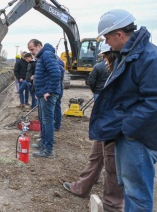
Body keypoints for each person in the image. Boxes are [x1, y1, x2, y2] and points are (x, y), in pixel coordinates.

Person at [90, 9, 157, 211]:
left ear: (120, 34)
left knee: (137, 195)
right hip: (128, 134)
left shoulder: (149, 58)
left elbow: (154, 101)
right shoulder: (128, 55)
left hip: (137, 138)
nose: (107, 43)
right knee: (129, 189)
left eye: (108, 37)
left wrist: (128, 129)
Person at [63, 45, 124, 212]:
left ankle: (113, 206)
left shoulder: (124, 69)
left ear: (112, 55)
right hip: (105, 123)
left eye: (105, 57)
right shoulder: (113, 69)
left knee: (112, 167)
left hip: (114, 126)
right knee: (95, 156)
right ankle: (82, 187)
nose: (104, 60)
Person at [27, 39, 61, 158]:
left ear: (39, 46)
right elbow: (43, 75)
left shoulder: (46, 55)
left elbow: (56, 73)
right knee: (43, 120)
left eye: (32, 49)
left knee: (47, 121)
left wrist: (49, 91)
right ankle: (43, 143)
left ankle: (48, 150)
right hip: (42, 94)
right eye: (29, 50)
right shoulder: (42, 57)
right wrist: (39, 92)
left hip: (48, 96)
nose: (31, 52)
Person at [54, 57, 65, 132]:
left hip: (56, 90)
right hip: (60, 89)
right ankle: (56, 124)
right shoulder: (61, 67)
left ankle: (56, 125)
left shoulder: (58, 67)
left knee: (56, 107)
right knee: (57, 107)